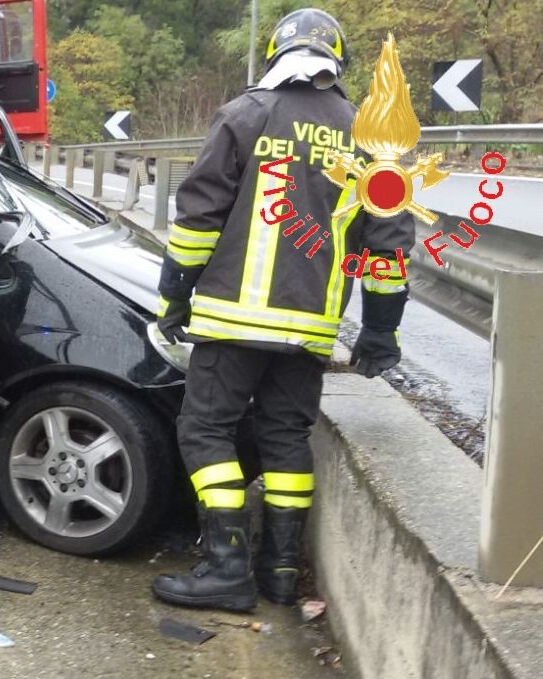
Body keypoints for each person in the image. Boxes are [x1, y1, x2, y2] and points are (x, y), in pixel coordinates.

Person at [151, 8, 414, 612]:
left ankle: (224, 567)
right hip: (309, 331)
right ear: (337, 63)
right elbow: (388, 247)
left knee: (205, 430)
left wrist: (174, 296)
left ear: (275, 54)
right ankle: (279, 569)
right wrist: (380, 331)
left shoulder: (245, 116)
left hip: (232, 320)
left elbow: (197, 221)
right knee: (285, 439)